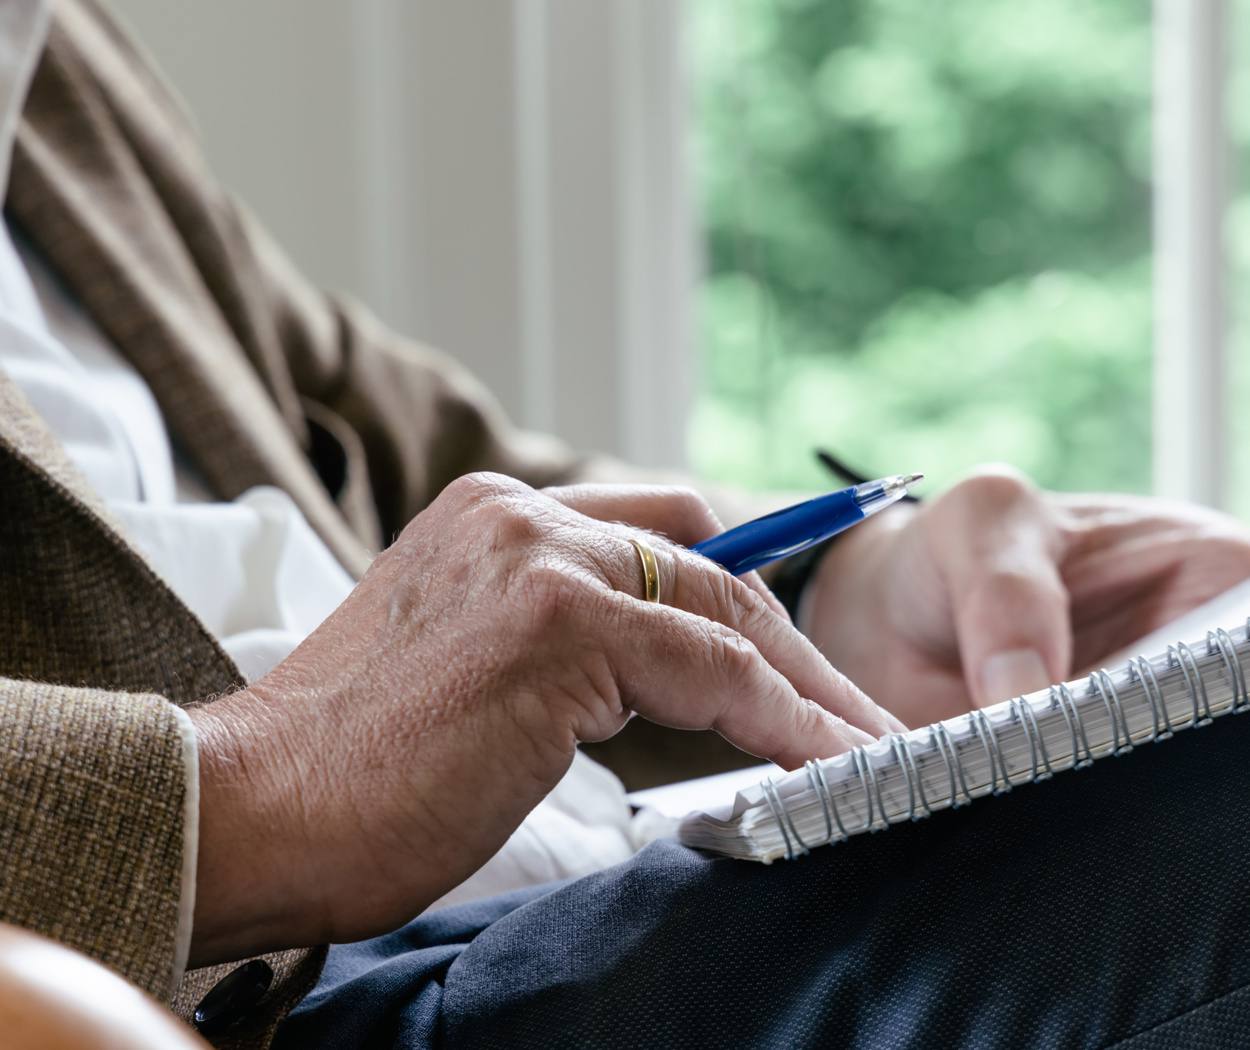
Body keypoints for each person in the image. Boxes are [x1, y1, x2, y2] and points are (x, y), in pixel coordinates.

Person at [4, 1, 1250, 1047]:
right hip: (233, 1003)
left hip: (559, 880)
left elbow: (416, 466)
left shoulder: (51, 54)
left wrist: (831, 596)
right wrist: (249, 796)